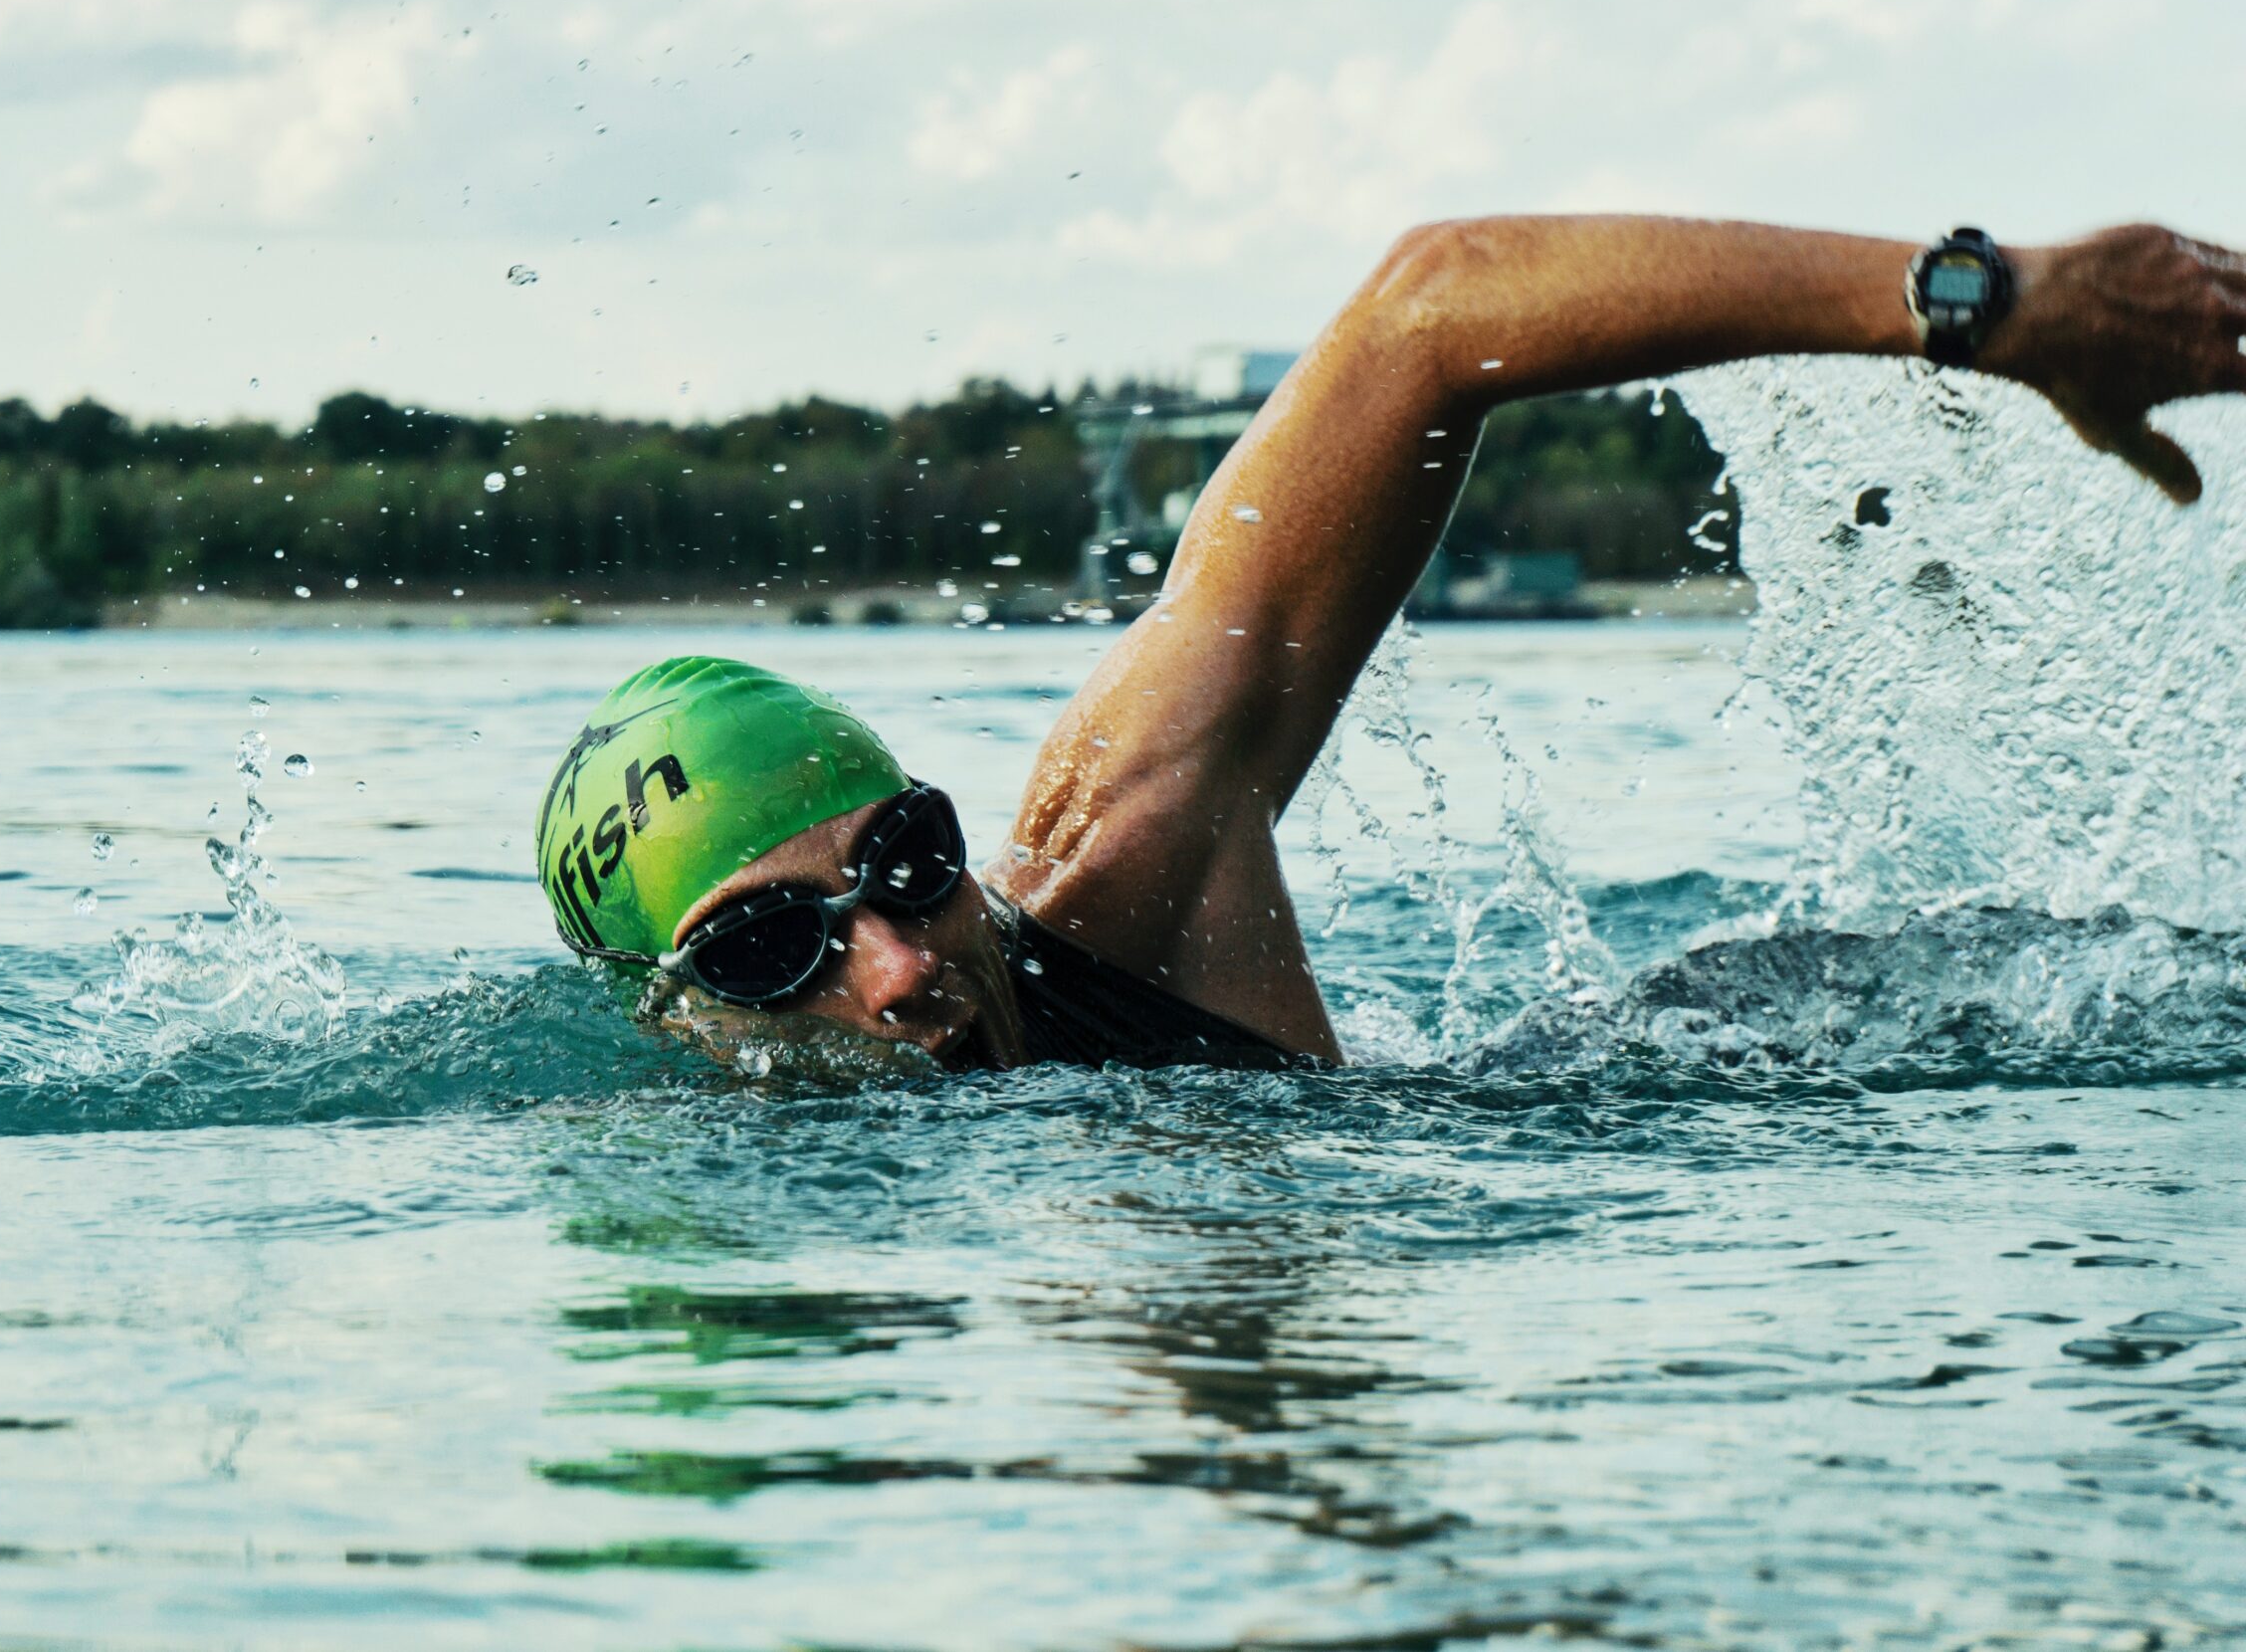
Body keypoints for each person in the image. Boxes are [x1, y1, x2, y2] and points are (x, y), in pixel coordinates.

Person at [536, 216, 2246, 1073]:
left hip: (1784, 1039)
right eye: (773, 951)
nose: (899, 967)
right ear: (672, 1019)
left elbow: (1429, 311)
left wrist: (1986, 306)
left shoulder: (1125, 861)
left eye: (907, 864)